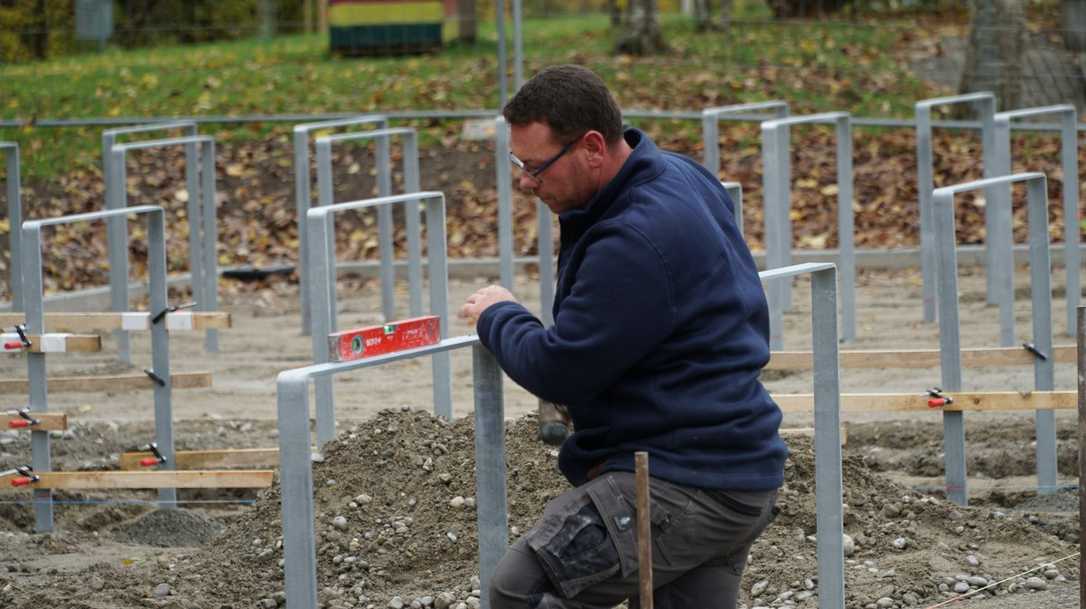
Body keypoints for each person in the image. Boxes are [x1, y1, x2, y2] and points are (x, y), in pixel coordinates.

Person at [458, 64, 786, 609]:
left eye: (536, 166)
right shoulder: (680, 174)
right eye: (518, 164)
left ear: (592, 146)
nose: (526, 182)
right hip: (738, 470)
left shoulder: (635, 238)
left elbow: (560, 368)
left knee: (520, 588)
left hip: (683, 481)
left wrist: (500, 315)